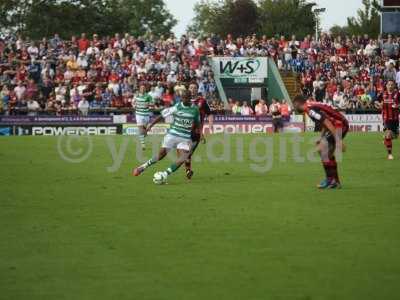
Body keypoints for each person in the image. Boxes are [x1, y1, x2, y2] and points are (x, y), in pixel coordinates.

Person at [132, 90, 201, 181]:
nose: (184, 99)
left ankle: (164, 174)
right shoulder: (177, 107)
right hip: (172, 135)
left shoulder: (195, 109)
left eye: (186, 98)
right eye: (182, 98)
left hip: (184, 137)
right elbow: (162, 115)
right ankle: (143, 167)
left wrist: (197, 132)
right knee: (161, 155)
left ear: (190, 98)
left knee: (183, 157)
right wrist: (150, 125)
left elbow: (197, 123)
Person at [293, 95, 349, 189]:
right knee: (327, 153)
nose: (294, 108)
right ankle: (335, 181)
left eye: (294, 105)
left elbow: (327, 122)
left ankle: (330, 180)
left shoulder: (310, 110)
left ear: (298, 104)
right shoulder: (310, 107)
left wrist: (339, 141)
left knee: (322, 150)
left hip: (339, 125)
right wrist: (321, 137)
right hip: (338, 124)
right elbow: (324, 121)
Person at [184, 82, 213, 179]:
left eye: (194, 88)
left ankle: (188, 169)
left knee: (189, 152)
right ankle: (188, 170)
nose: (192, 89)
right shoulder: (184, 101)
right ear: (188, 89)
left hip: (197, 132)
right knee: (186, 150)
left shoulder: (202, 101)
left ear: (197, 89)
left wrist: (210, 125)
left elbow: (209, 114)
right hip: (184, 130)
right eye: (191, 87)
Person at [378, 80, 399, 160]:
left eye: (392, 85)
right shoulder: (383, 94)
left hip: (395, 119)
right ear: (386, 86)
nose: (390, 86)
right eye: (389, 84)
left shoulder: (397, 94)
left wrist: (397, 105)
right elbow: (377, 101)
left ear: (394, 86)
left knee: (395, 136)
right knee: (389, 134)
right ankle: (390, 155)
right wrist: (379, 105)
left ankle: (386, 140)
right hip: (386, 118)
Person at [133, 84, 153, 150]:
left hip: (146, 114)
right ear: (139, 89)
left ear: (145, 89)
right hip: (138, 114)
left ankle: (145, 131)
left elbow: (153, 103)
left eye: (144, 88)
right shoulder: (136, 95)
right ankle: (143, 144)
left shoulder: (148, 96)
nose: (143, 89)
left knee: (144, 131)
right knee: (140, 129)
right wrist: (134, 105)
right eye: (141, 88)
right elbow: (133, 102)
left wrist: (149, 104)